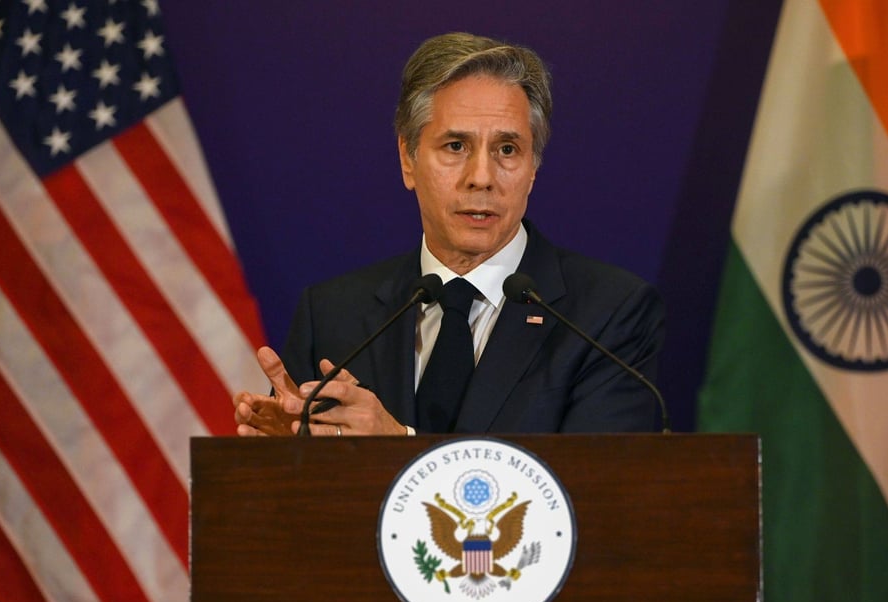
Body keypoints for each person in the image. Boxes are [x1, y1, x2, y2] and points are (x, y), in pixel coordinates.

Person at [233, 32, 664, 437]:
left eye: (508, 150)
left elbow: (597, 493)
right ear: (408, 158)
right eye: (455, 146)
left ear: (533, 167)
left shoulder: (608, 315)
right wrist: (284, 456)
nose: (481, 177)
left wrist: (397, 445)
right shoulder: (333, 315)